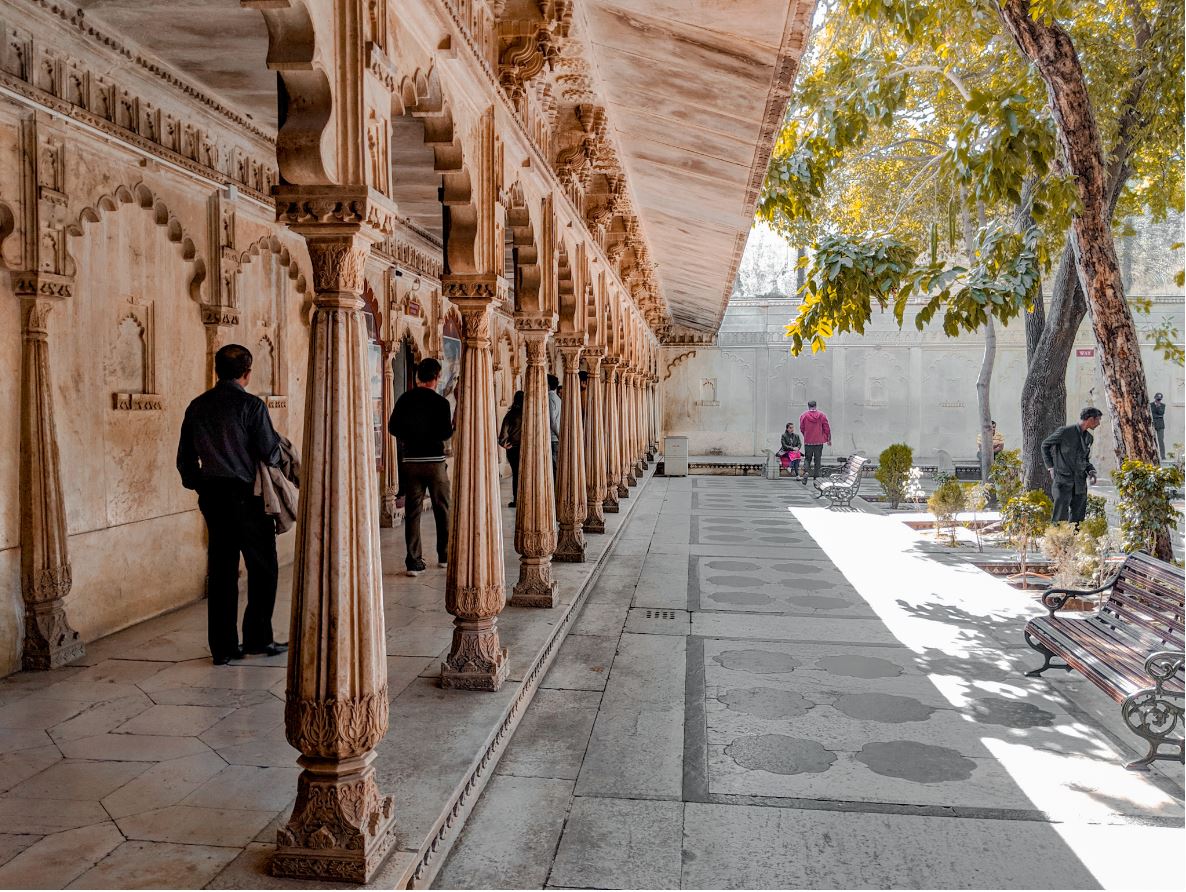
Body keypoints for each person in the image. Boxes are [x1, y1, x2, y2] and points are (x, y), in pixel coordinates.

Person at [177, 344, 287, 665]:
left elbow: (185, 459)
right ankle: (256, 639)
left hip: (214, 497)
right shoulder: (251, 406)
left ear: (217, 371)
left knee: (222, 570)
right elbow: (270, 452)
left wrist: (200, 485)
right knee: (262, 568)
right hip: (248, 497)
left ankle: (223, 648)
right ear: (247, 373)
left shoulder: (197, 406)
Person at [389, 358, 454, 576]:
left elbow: (393, 427)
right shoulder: (442, 403)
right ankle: (444, 555)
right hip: (435, 462)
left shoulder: (405, 399)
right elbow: (446, 433)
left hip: (411, 462)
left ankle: (413, 561)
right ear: (437, 378)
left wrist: (412, 436)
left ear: (418, 377)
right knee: (442, 508)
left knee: (413, 512)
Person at [1042, 407, 1102, 524]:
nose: (1099, 423)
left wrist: (1091, 471)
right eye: (1098, 420)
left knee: (1078, 520)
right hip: (1063, 481)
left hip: (1080, 484)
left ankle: (1076, 541)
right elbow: (1045, 445)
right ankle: (1057, 541)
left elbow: (1084, 459)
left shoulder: (1089, 438)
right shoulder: (1065, 432)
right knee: (1060, 519)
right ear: (1090, 419)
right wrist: (1050, 467)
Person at [499, 391, 525, 508]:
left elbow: (503, 433)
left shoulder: (511, 414)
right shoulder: (529, 414)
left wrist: (504, 444)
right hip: (526, 449)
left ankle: (517, 499)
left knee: (516, 474)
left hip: (513, 448)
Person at [798, 400, 831, 483]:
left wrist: (806, 435)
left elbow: (802, 428)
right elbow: (826, 428)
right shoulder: (822, 415)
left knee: (807, 458)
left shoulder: (804, 415)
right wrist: (828, 439)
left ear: (808, 406)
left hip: (808, 441)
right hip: (819, 441)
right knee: (817, 459)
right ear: (816, 405)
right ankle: (816, 477)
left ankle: (806, 472)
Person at [547, 373, 562, 475]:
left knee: (553, 467)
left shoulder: (549, 398)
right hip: (555, 437)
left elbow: (552, 420)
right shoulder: (557, 398)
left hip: (553, 438)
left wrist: (558, 435)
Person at [1151, 392, 1166, 459]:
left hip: (1160, 425)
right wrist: (1158, 416)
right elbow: (1151, 414)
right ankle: (1153, 456)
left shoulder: (1163, 405)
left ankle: (1163, 456)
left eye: (1159, 399)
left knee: (1161, 441)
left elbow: (1161, 413)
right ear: (1155, 398)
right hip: (1153, 424)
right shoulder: (1150, 405)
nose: (1158, 400)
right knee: (1152, 441)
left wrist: (1158, 406)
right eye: (1157, 399)